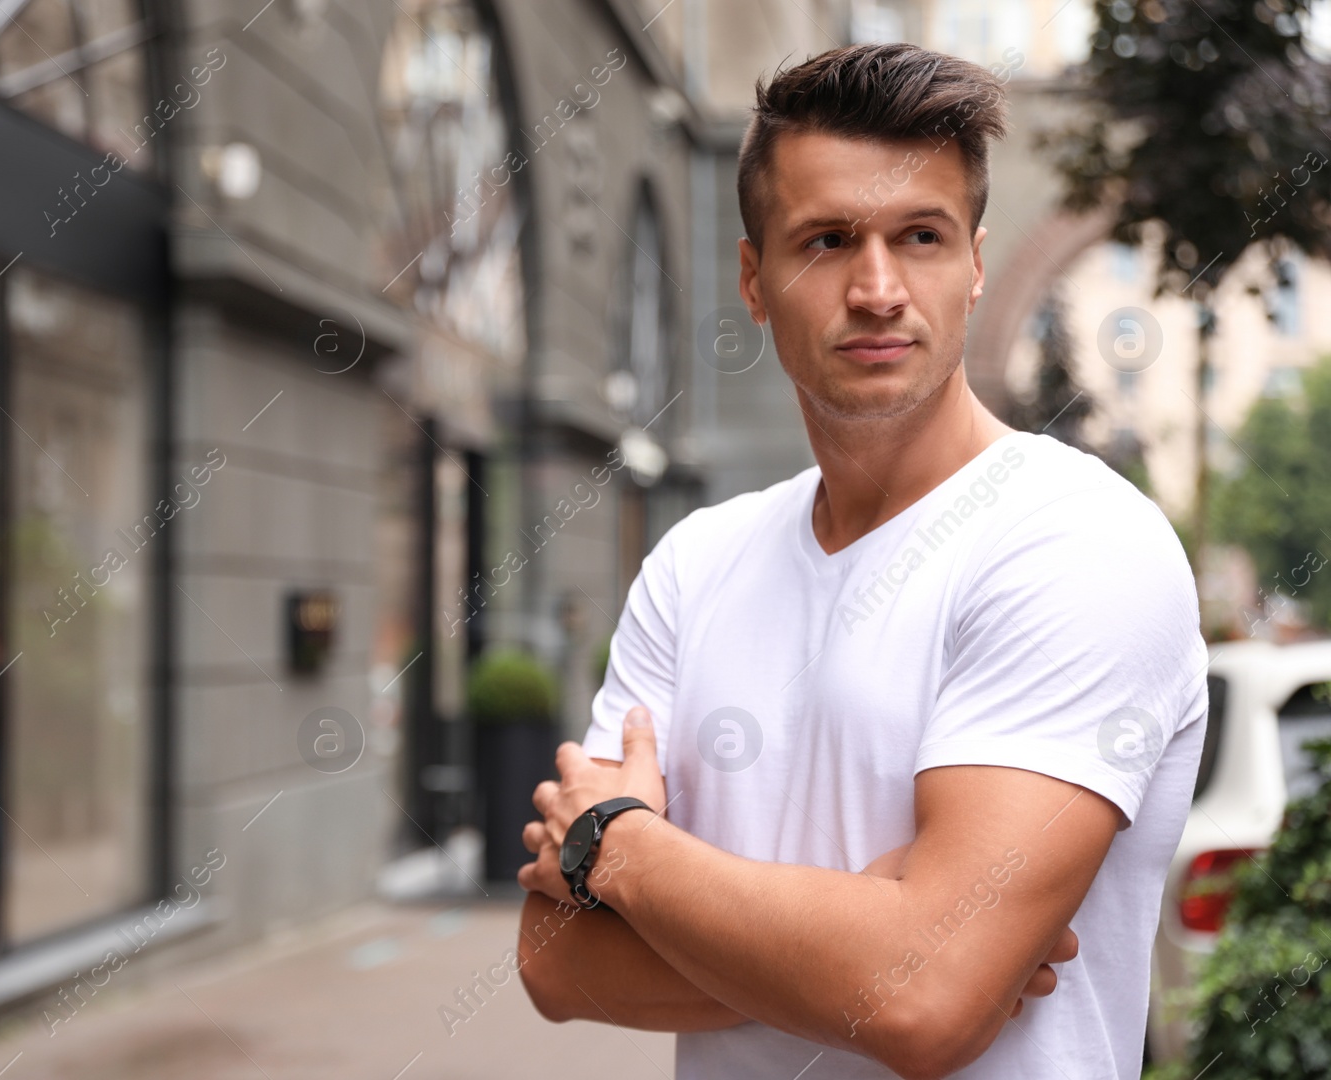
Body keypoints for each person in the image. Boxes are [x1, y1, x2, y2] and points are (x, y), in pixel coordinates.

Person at [514, 42, 1208, 1080]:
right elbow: (555, 967)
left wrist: (618, 849)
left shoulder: (1080, 542)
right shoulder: (693, 563)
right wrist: (879, 941)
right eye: (827, 240)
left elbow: (924, 999)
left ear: (974, 264)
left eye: (919, 237)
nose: (877, 289)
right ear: (755, 279)